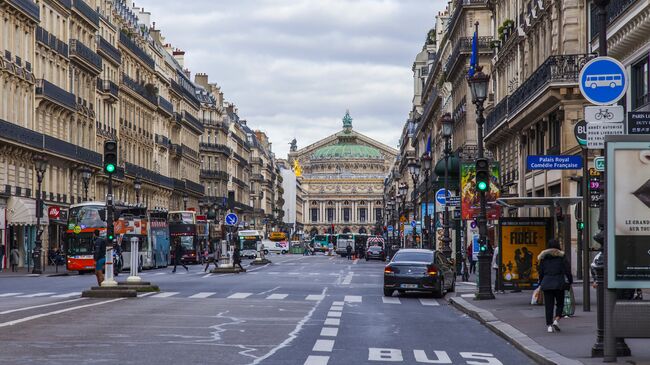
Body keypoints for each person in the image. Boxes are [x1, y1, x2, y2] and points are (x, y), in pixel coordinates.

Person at [538, 239, 572, 333]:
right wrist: (570, 281)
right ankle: (556, 320)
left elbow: (540, 272)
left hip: (547, 282)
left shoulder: (543, 257)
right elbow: (567, 270)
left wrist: (541, 282)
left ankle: (549, 325)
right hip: (559, 283)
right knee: (560, 303)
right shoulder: (562, 256)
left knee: (549, 305)